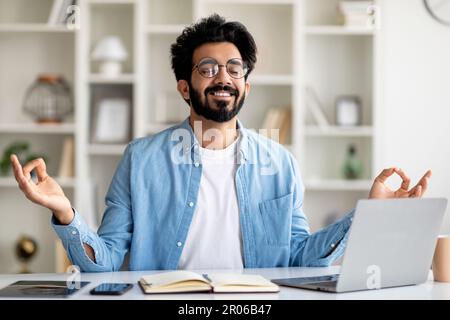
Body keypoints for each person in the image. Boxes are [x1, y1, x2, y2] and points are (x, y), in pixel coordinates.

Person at [10, 14, 431, 272]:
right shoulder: (141, 160)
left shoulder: (280, 162)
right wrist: (65, 213)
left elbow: (302, 258)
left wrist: (367, 215)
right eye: (207, 68)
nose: (223, 77)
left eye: (234, 68)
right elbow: (100, 265)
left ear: (246, 86)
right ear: (184, 87)